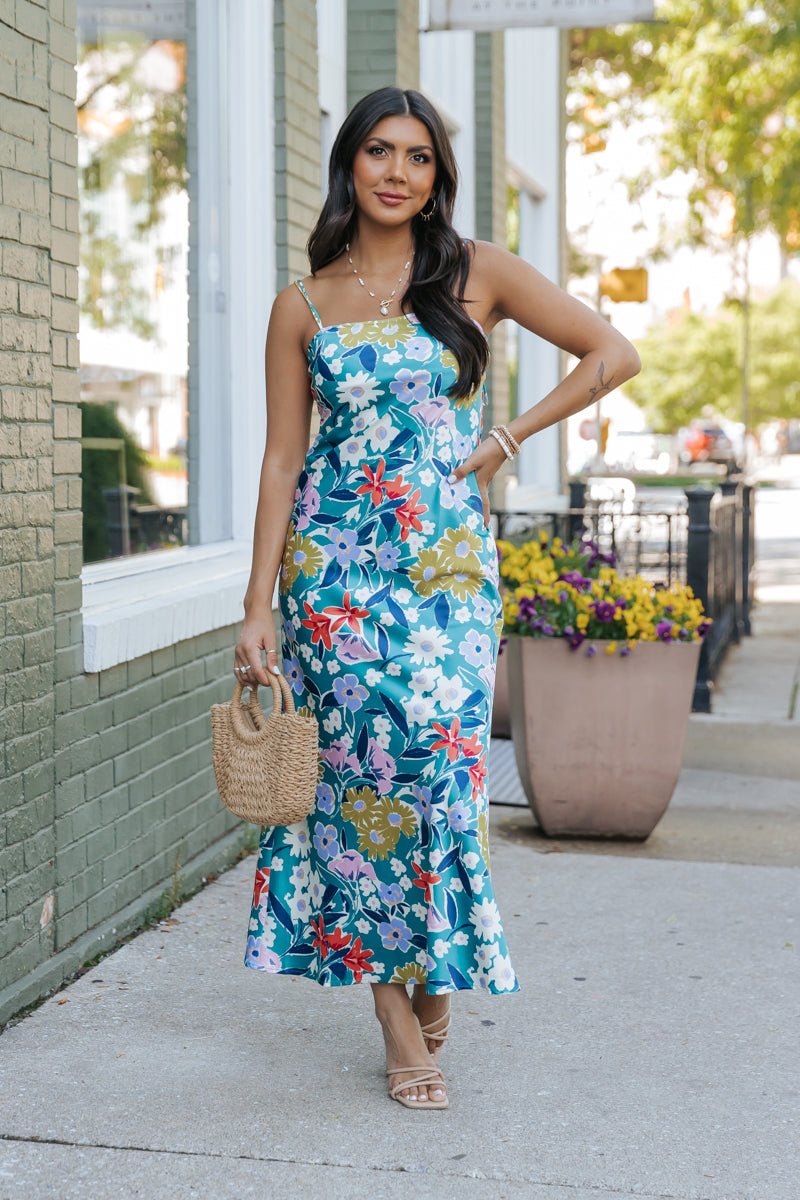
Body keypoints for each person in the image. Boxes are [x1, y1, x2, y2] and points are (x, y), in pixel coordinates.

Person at [235, 86, 641, 1111]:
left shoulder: (477, 273)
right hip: (333, 578)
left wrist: (503, 441)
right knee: (354, 781)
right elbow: (282, 461)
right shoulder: (303, 303)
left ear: (435, 179)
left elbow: (611, 354)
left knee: (439, 777)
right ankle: (388, 1011)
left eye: (416, 158)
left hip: (446, 577)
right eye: (377, 152)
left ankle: (428, 963)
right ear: (349, 164)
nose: (394, 172)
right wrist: (256, 606)